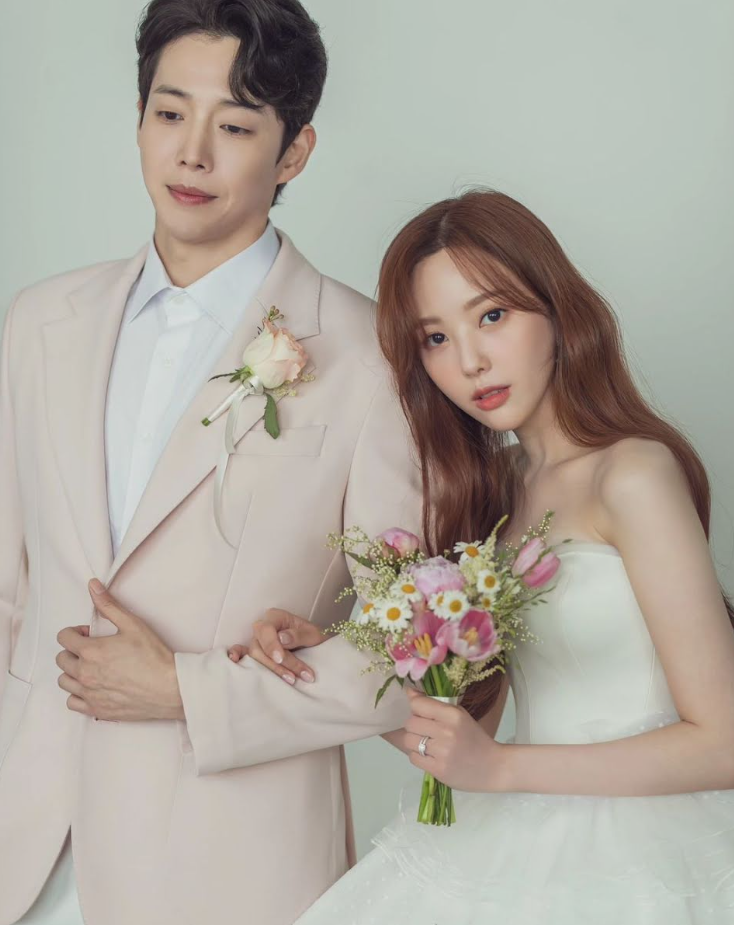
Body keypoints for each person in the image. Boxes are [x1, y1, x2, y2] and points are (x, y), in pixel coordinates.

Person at [0, 2, 421, 924]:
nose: (191, 154)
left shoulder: (373, 358)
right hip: (26, 849)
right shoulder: (39, 321)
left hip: (230, 867)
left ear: (294, 152)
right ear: (139, 119)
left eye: (233, 127)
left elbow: (412, 656)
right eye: (169, 112)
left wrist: (188, 691)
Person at [237, 190, 734, 924]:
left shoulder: (632, 473)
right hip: (524, 827)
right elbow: (468, 727)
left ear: (556, 309)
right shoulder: (496, 491)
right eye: (435, 338)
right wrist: (327, 652)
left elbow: (725, 742)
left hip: (649, 843)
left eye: (492, 315)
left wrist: (501, 769)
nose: (469, 361)